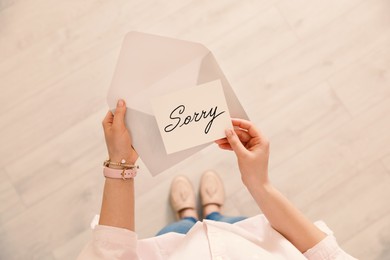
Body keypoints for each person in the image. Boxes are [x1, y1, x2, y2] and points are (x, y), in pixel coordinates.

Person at [77, 100, 356, 259]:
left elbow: (111, 255)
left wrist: (121, 164)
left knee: (178, 228)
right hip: (255, 240)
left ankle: (186, 216)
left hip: (174, 251)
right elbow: (325, 254)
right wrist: (260, 184)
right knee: (226, 224)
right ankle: (214, 213)